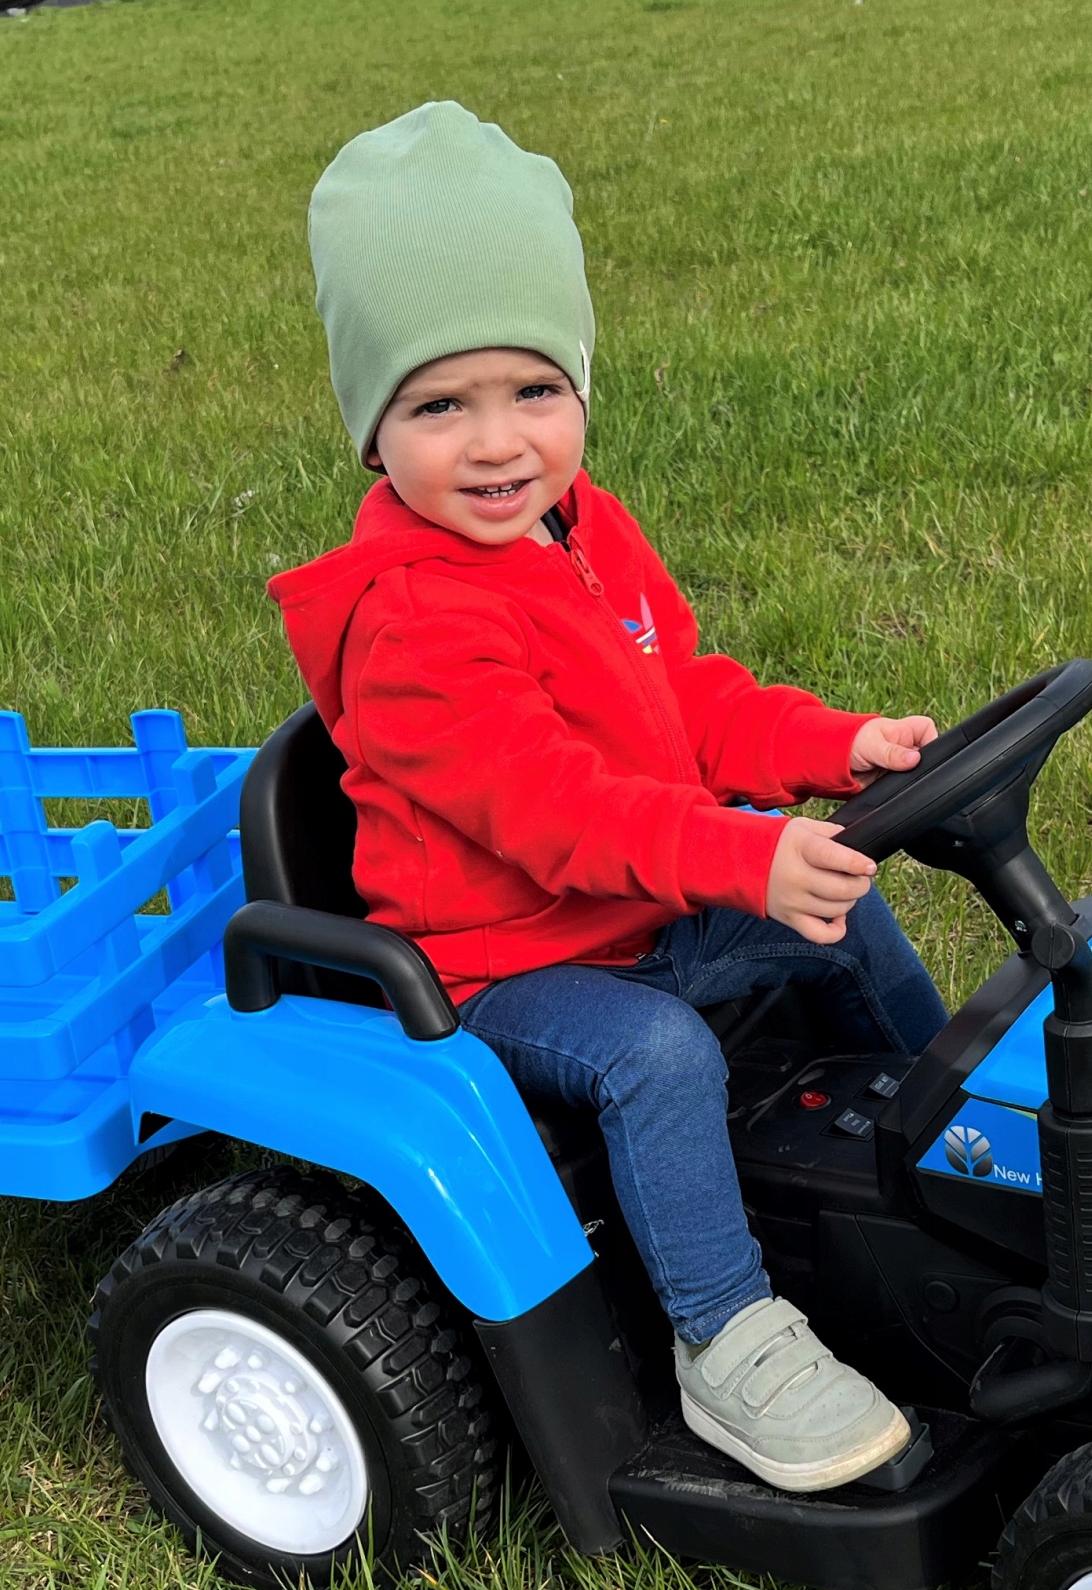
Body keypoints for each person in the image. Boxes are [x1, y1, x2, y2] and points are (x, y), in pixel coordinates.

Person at [267, 102, 950, 1492]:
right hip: (497, 963)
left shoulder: (583, 532)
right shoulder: (414, 624)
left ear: (581, 387)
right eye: (438, 405)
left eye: (534, 390)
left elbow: (685, 698)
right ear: (370, 434)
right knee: (656, 1056)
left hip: (633, 911)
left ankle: (940, 1139)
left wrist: (835, 744)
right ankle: (728, 1339)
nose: (499, 441)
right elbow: (555, 809)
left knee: (843, 910)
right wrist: (742, 862)